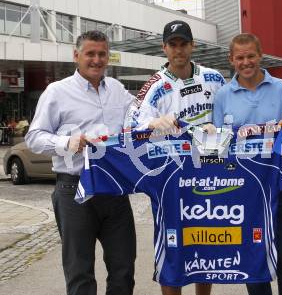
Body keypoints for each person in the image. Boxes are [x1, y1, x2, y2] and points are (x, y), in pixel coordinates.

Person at [25, 30, 136, 295]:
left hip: (114, 191)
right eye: (90, 54)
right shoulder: (57, 92)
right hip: (73, 191)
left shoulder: (118, 91)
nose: (97, 60)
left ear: (108, 57)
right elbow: (34, 137)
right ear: (76, 56)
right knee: (79, 274)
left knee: (123, 270)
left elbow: (141, 117)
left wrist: (156, 121)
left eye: (102, 54)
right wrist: (67, 143)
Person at [126, 20, 225, 295]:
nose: (178, 50)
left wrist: (219, 129)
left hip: (210, 172)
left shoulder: (214, 78)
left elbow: (228, 116)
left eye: (184, 44)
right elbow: (133, 128)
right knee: (173, 247)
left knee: (206, 242)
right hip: (171, 179)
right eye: (173, 45)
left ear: (193, 46)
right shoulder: (153, 86)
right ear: (164, 48)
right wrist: (153, 124)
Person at [213, 33, 282, 295]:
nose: (246, 62)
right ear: (231, 60)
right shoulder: (222, 96)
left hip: (279, 192)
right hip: (244, 196)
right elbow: (220, 147)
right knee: (253, 265)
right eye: (239, 58)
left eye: (250, 55)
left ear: (260, 55)